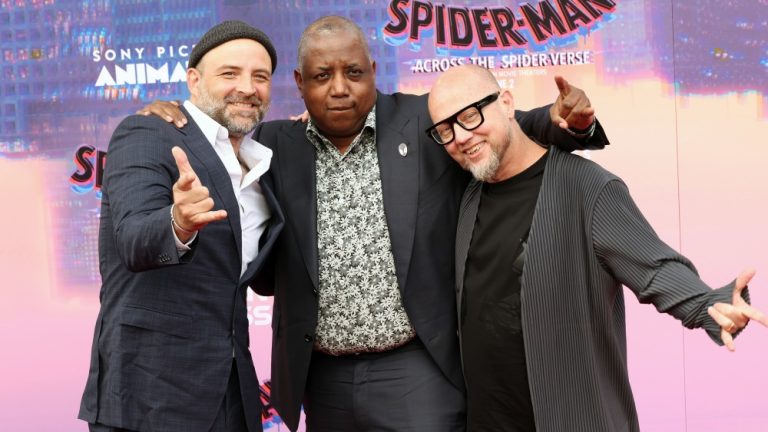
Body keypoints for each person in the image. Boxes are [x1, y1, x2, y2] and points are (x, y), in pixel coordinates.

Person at [140, 15, 609, 432]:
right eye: (323, 76)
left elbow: (499, 126)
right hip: (320, 378)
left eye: (353, 73)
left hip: (416, 369)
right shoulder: (273, 144)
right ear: (301, 83)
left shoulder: (420, 121)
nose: (340, 88)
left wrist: (562, 120)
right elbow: (210, 139)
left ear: (373, 73)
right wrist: (168, 117)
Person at [426, 64, 768, 432]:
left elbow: (653, 267)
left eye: (470, 115)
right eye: (446, 129)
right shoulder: (468, 195)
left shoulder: (587, 188)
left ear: (507, 103)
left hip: (573, 416)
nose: (460, 136)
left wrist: (705, 304)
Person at [78, 21, 284, 432]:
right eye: (229, 73)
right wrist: (179, 222)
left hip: (232, 395)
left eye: (259, 76)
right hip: (150, 395)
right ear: (193, 80)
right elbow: (134, 239)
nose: (247, 87)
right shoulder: (148, 132)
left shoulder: (266, 159)